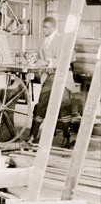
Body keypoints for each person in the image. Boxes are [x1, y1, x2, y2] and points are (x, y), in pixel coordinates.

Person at [27, 17, 78, 148]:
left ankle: (66, 138)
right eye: (44, 27)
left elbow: (68, 58)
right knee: (41, 105)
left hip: (63, 77)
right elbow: (38, 57)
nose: (45, 30)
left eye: (48, 27)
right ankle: (33, 135)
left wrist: (48, 61)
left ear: (54, 27)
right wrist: (35, 60)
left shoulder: (63, 39)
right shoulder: (42, 41)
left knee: (64, 105)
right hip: (48, 77)